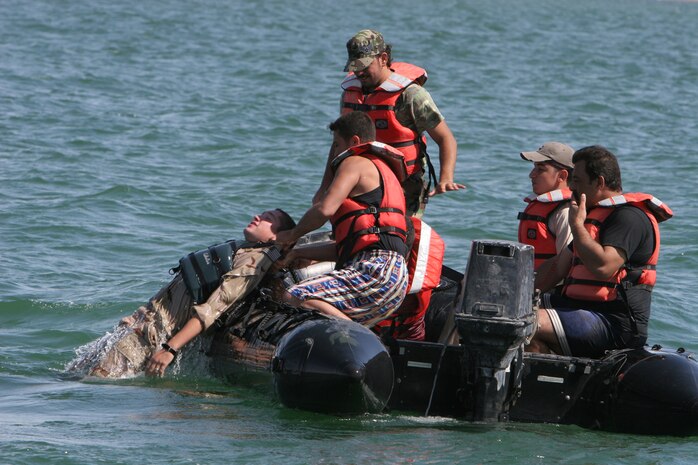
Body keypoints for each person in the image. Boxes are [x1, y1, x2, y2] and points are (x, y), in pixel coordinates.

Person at [85, 209, 296, 378]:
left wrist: (170, 349)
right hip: (137, 323)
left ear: (279, 236)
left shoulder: (255, 261)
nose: (257, 216)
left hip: (150, 336)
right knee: (74, 377)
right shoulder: (243, 249)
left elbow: (215, 307)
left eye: (268, 218)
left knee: (93, 384)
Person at [526, 146, 673, 358]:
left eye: (577, 181)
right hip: (578, 309)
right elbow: (558, 267)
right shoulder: (594, 218)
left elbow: (604, 267)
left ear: (599, 182)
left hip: (614, 324)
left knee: (526, 323)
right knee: (510, 310)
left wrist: (576, 226)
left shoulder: (629, 218)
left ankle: (538, 385)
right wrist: (514, 292)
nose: (572, 187)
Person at [276, 111, 409, 326]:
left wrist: (291, 235)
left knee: (295, 296)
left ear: (354, 142)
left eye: (336, 145)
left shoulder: (355, 162)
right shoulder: (382, 171)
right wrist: (297, 252)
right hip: (393, 280)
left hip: (375, 272)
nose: (334, 153)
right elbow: (348, 247)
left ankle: (366, 341)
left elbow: (324, 208)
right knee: (316, 310)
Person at [313, 29, 465, 218]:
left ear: (383, 58)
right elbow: (339, 144)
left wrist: (445, 178)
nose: (359, 72)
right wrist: (324, 187)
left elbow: (445, 138)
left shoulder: (411, 96)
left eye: (365, 65)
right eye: (355, 66)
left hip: (405, 185)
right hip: (361, 182)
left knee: (398, 236)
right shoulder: (350, 94)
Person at [518, 142, 575, 270]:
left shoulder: (565, 212)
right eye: (534, 168)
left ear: (562, 176)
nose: (531, 175)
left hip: (550, 288)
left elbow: (567, 264)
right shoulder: (543, 206)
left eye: (541, 169)